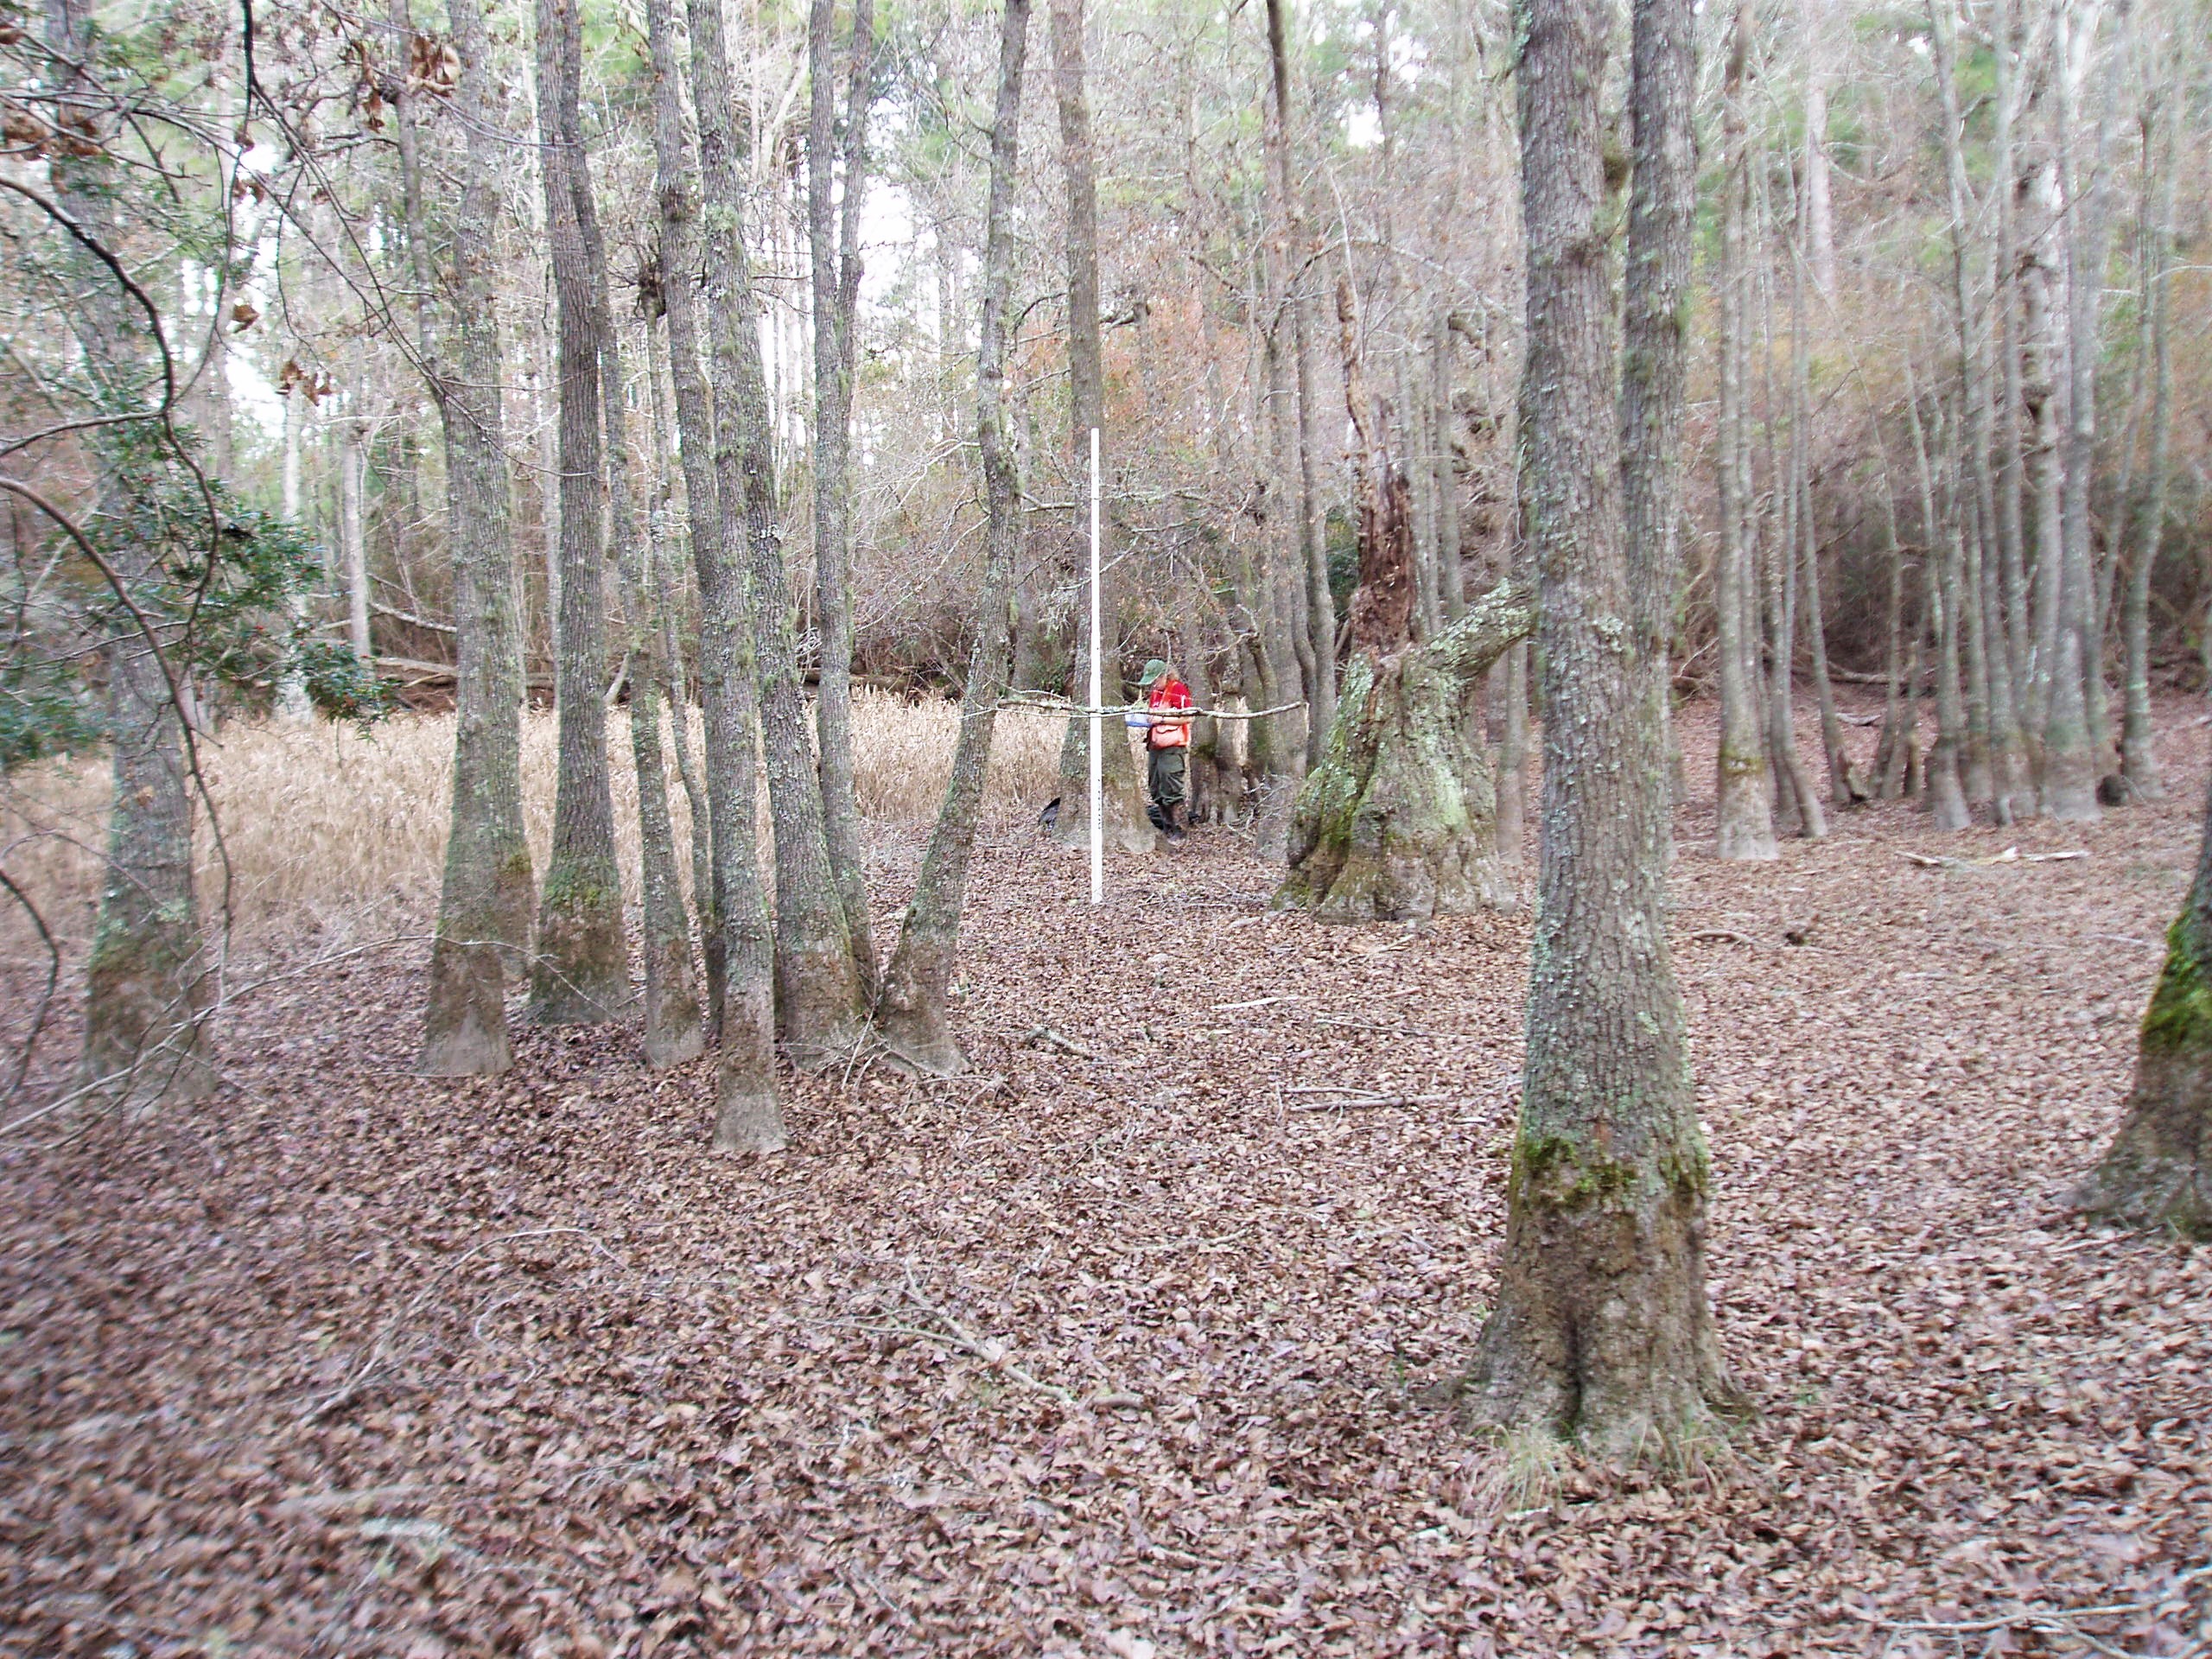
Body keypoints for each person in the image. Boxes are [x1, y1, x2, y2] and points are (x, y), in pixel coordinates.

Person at [1136, 658, 1194, 842]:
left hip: (1173, 747)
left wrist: (1162, 720)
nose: (1154, 684)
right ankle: (1166, 827)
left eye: (1155, 680)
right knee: (1156, 787)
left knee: (1172, 788)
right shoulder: (1155, 693)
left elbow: (1188, 717)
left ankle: (1180, 830)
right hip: (1155, 746)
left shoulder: (1178, 689)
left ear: (1164, 675)